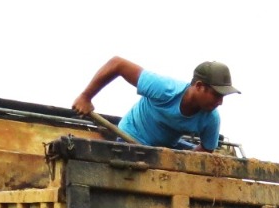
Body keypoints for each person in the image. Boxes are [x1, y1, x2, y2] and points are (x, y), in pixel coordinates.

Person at [72, 57, 239, 152]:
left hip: (165, 149)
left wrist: (181, 163)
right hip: (131, 139)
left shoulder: (211, 119)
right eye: (216, 95)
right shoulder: (164, 89)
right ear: (199, 86)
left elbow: (207, 150)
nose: (220, 102)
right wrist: (85, 96)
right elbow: (118, 64)